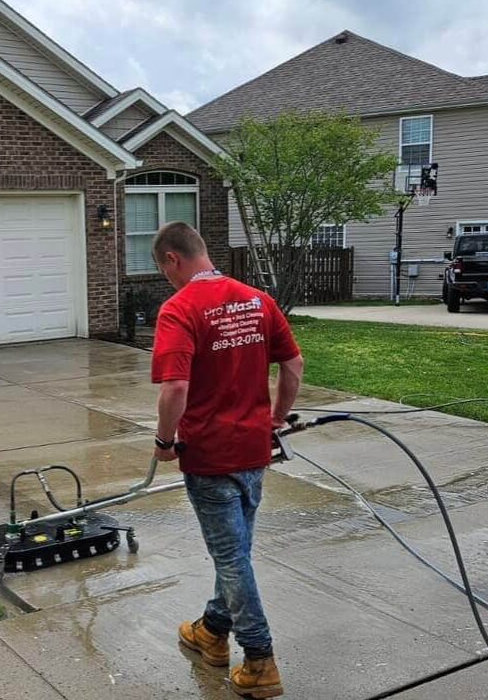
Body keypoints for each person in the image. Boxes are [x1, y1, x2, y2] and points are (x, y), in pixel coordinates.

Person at [149, 222, 304, 699]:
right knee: (235, 551)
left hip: (210, 456)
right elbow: (293, 364)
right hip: (253, 452)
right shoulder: (257, 299)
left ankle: (259, 660)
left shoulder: (180, 309)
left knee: (232, 558)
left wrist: (164, 441)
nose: (167, 280)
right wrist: (276, 417)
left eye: (164, 270)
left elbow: (176, 387)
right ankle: (213, 631)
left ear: (173, 259)